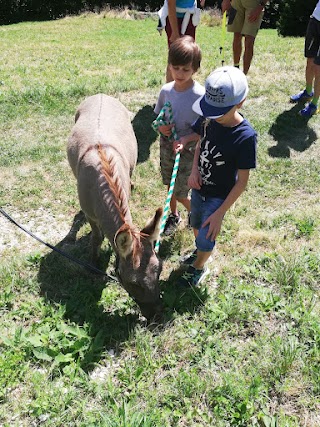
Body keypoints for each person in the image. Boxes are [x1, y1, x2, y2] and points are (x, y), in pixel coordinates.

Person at [177, 66, 257, 287]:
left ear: (239, 103)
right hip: (199, 189)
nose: (211, 116)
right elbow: (201, 144)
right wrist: (194, 171)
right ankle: (199, 251)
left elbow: (242, 182)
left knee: (206, 236)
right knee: (195, 222)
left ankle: (199, 267)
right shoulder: (208, 120)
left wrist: (221, 213)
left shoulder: (245, 137)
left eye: (217, 112)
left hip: (218, 198)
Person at [154, 36, 205, 236]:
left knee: (181, 190)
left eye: (186, 69)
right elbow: (159, 118)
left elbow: (205, 129)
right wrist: (161, 129)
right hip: (167, 145)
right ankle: (173, 215)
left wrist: (187, 139)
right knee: (169, 182)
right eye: (176, 68)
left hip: (189, 150)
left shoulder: (200, 96)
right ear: (169, 66)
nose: (180, 73)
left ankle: (198, 212)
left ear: (195, 68)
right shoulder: (166, 91)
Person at [157, 0, 205, 82]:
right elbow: (170, 4)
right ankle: (170, 92)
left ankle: (185, 90)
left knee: (189, 56)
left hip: (190, 17)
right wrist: (174, 32)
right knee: (175, 57)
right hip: (175, 19)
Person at [289, 1, 320, 118]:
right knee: (310, 60)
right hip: (316, 19)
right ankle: (308, 92)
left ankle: (314, 104)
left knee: (318, 68)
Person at [221, 0, 269, 74]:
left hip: (254, 4)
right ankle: (236, 69)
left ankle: (244, 75)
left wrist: (261, 6)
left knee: (249, 40)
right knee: (236, 36)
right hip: (236, 3)